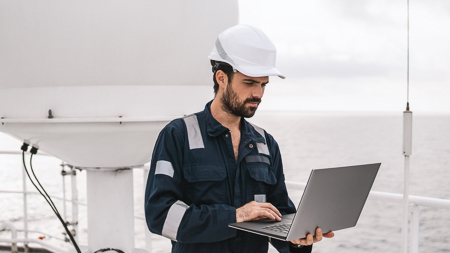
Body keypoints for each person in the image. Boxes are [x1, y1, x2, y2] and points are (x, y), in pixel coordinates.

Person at [145, 24, 334, 253]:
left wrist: (297, 239)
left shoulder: (266, 144)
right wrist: (236, 216)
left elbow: (279, 215)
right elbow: (160, 215)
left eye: (263, 84)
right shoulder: (177, 136)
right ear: (221, 78)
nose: (259, 94)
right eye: (249, 83)